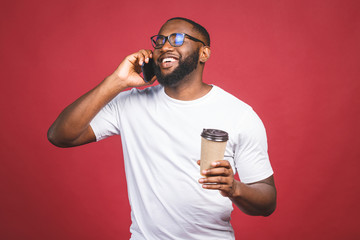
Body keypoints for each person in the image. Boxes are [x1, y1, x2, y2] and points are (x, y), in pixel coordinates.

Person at [48, 17, 277, 240]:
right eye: (159, 41)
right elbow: (60, 135)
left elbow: (267, 200)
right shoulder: (131, 103)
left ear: (204, 53)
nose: (165, 46)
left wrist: (234, 188)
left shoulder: (239, 115)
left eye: (177, 39)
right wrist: (117, 81)